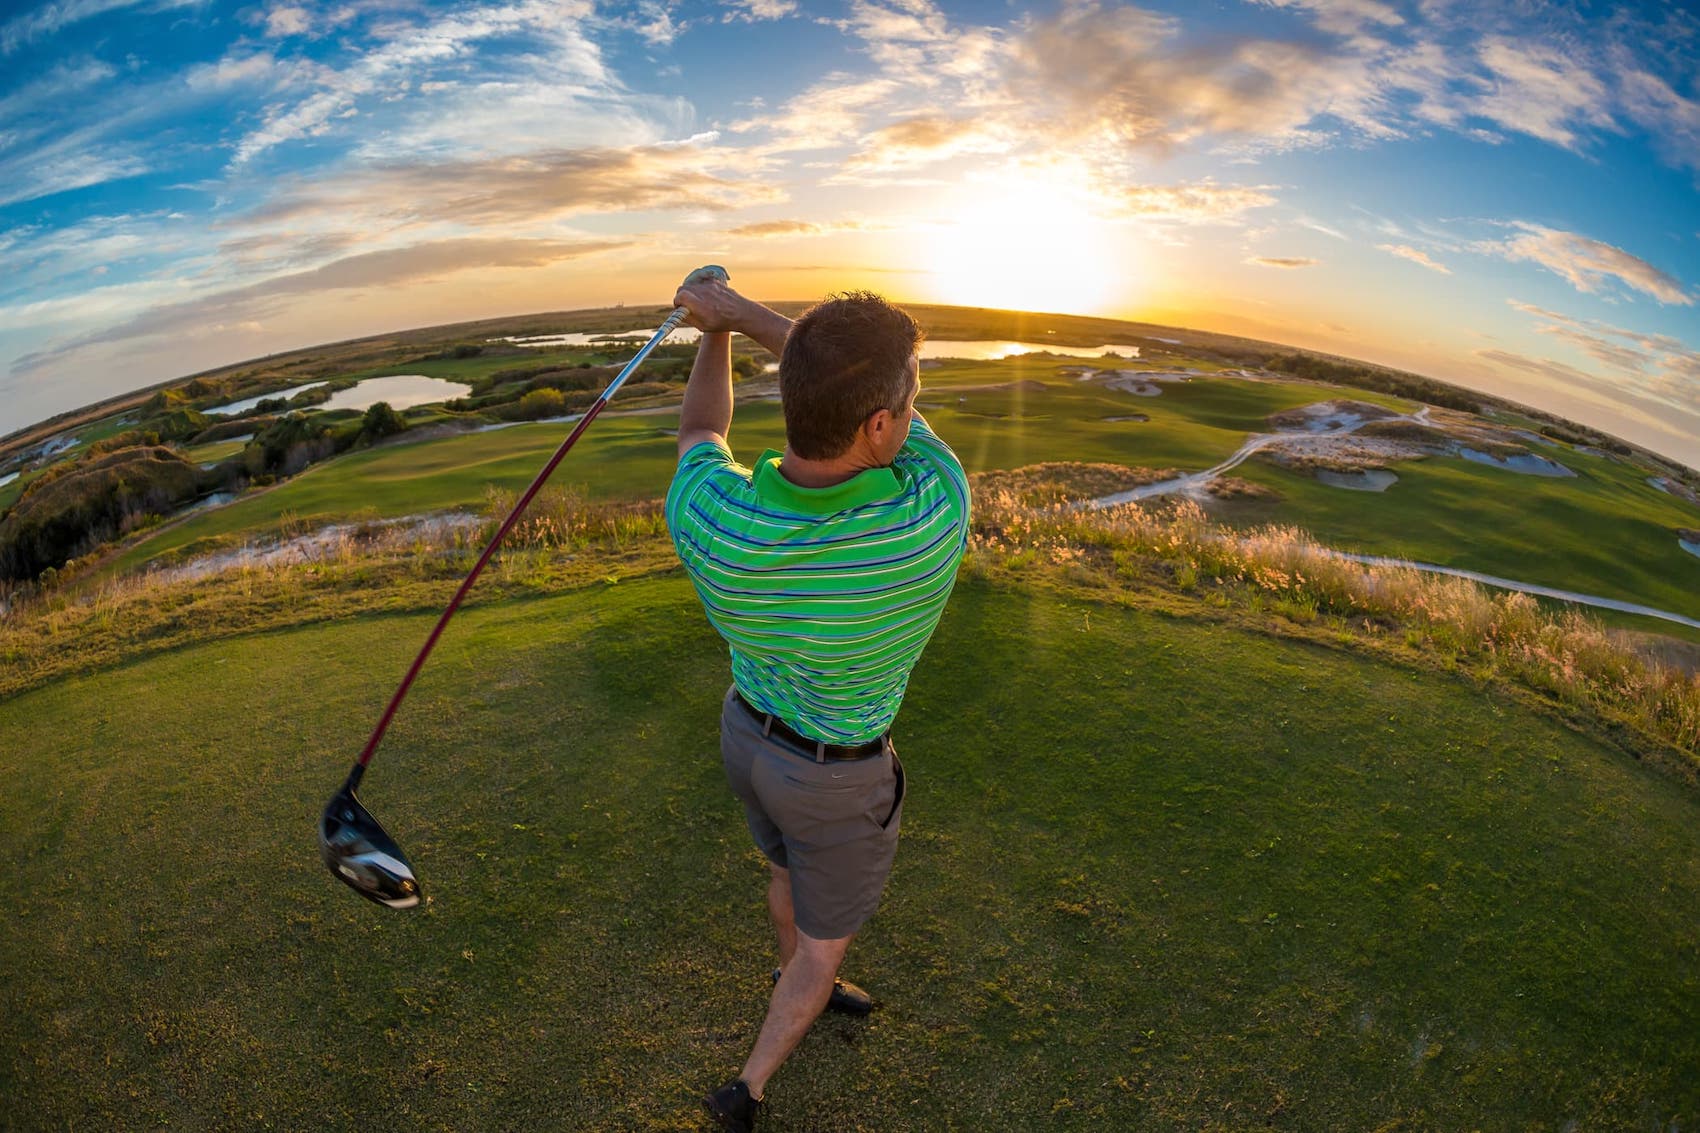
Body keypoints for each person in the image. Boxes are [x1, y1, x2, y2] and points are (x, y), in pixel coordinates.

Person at [663, 274, 971, 1131]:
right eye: (905, 405)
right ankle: (749, 1085)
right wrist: (745, 317)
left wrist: (712, 330)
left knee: (782, 868)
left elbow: (700, 428)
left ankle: (799, 971)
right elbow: (888, 414)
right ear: (879, 426)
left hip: (746, 739)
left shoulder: (711, 515)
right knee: (825, 941)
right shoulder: (930, 518)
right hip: (837, 778)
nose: (912, 417)